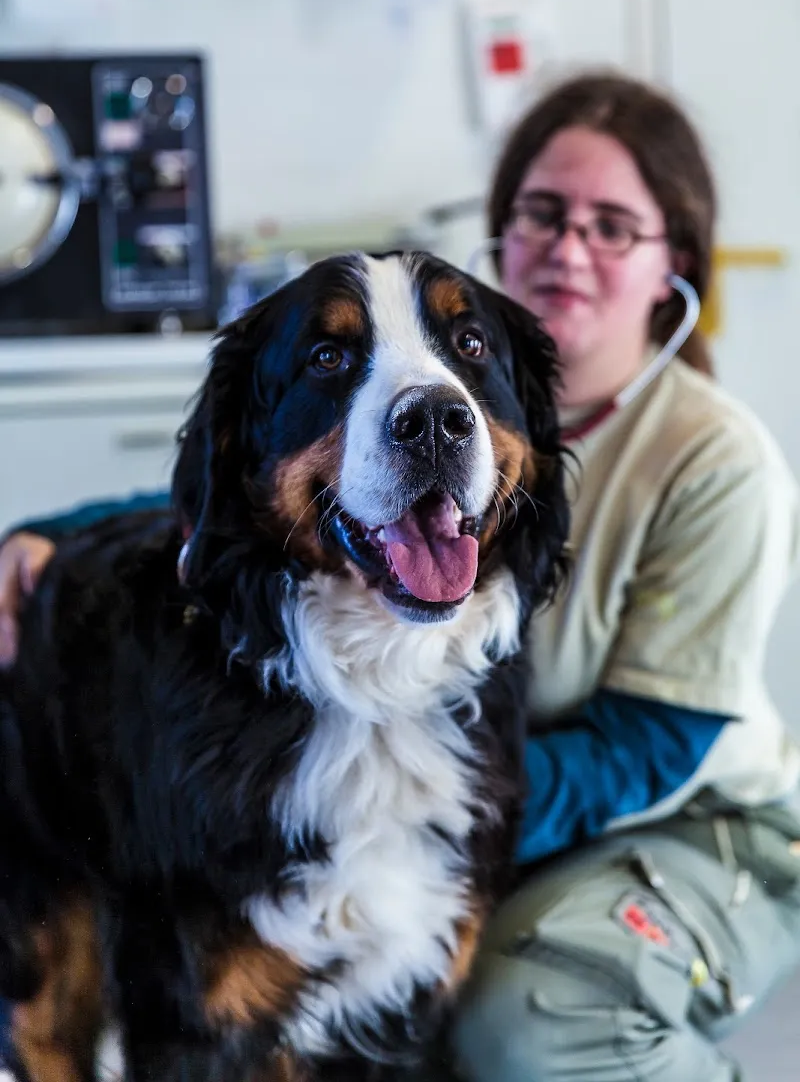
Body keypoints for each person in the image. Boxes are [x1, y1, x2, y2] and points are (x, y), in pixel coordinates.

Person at [1, 70, 800, 1082]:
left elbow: (659, 739)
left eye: (611, 226)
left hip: (669, 820)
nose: (567, 246)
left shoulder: (714, 460)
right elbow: (210, 498)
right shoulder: (412, 421)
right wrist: (41, 534)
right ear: (500, 224)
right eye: (542, 213)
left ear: (672, 264)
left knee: (521, 1025)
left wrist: (427, 818)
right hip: (440, 790)